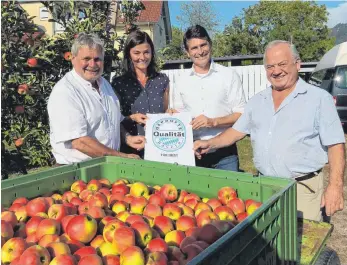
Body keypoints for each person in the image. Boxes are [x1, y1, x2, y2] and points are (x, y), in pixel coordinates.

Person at [194, 40, 345, 221]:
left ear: (297, 64)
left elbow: (335, 145)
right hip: (264, 187)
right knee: (269, 242)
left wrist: (335, 187)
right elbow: (236, 132)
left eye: (282, 64)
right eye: (270, 66)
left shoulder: (319, 99)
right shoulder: (258, 101)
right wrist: (209, 143)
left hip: (303, 189)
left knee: (302, 244)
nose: (276, 71)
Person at [47, 33, 145, 165]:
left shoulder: (104, 84)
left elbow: (113, 121)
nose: (92, 64)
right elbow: (79, 142)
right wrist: (121, 156)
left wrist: (127, 138)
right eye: (86, 58)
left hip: (106, 165)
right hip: (77, 172)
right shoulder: (65, 92)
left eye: (97, 59)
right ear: (73, 59)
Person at [170, 25, 246, 171]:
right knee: (194, 194)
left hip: (225, 154)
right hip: (193, 153)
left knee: (229, 192)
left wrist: (213, 122)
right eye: (194, 48)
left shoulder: (229, 76)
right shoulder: (181, 81)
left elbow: (241, 114)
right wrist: (173, 116)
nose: (200, 51)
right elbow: (180, 117)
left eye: (203, 45)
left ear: (210, 44)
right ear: (187, 52)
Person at [112, 30, 170, 157]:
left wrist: (172, 114)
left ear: (152, 53)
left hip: (160, 150)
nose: (142, 57)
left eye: (146, 52)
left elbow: (167, 113)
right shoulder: (118, 83)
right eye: (136, 53)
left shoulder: (162, 80)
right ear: (129, 54)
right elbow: (113, 120)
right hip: (132, 151)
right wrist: (131, 117)